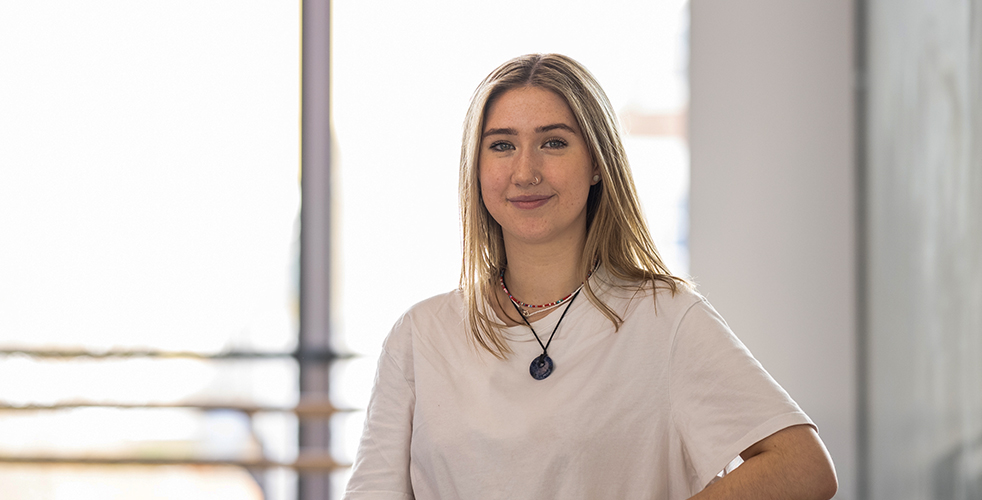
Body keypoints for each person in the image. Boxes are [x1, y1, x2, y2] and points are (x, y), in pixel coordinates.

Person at [342, 54, 837, 500]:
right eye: (502, 146)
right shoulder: (420, 334)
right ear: (476, 168)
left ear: (598, 164)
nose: (525, 171)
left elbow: (803, 467)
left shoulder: (666, 318)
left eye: (553, 142)